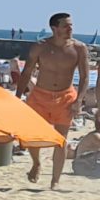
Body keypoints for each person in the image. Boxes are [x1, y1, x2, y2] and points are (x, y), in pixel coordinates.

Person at [18, 12, 88, 189]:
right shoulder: (40, 47)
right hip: (40, 95)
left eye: (71, 25)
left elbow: (85, 77)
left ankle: (55, 181)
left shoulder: (79, 48)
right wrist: (18, 97)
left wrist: (79, 100)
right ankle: (36, 163)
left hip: (65, 96)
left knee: (61, 139)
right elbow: (26, 72)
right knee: (33, 135)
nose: (70, 28)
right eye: (66, 25)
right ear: (54, 28)